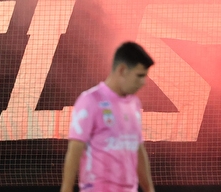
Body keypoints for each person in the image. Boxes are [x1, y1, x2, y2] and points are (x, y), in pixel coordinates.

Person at [62, 42, 156, 192]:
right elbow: (75, 150)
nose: (143, 82)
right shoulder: (90, 100)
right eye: (139, 76)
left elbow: (137, 148)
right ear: (122, 70)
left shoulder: (135, 104)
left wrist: (150, 189)